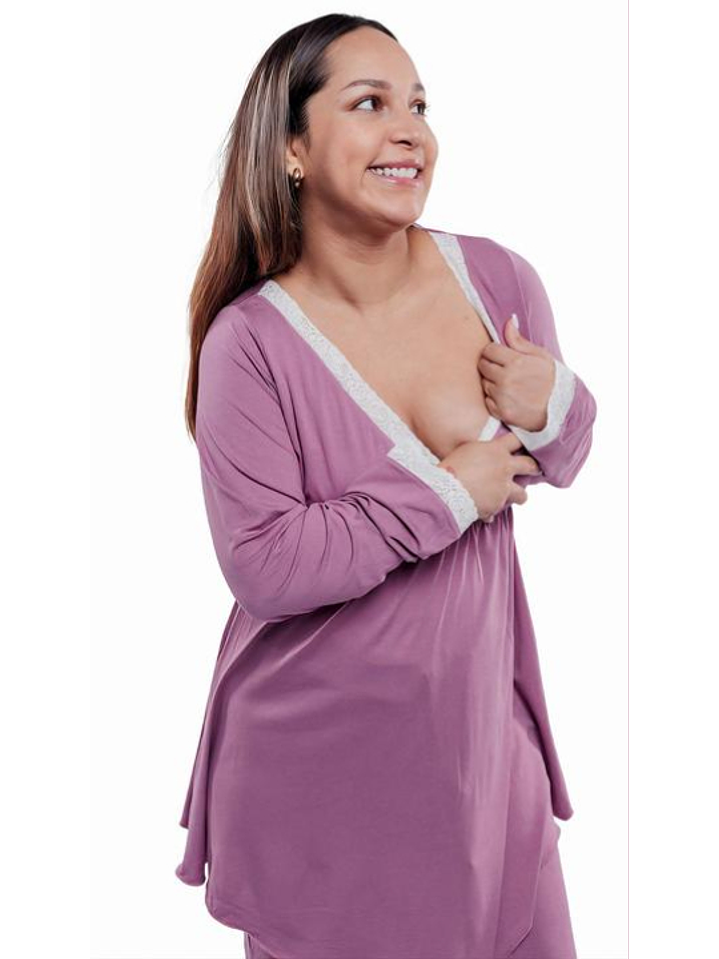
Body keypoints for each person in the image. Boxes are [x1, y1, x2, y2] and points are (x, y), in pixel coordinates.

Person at [175, 13, 597, 959]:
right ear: (290, 148)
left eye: (418, 105)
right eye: (369, 104)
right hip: (320, 787)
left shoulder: (497, 280)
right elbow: (265, 566)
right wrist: (448, 491)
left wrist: (556, 403)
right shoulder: (249, 342)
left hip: (483, 766)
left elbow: (561, 459)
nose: (409, 131)